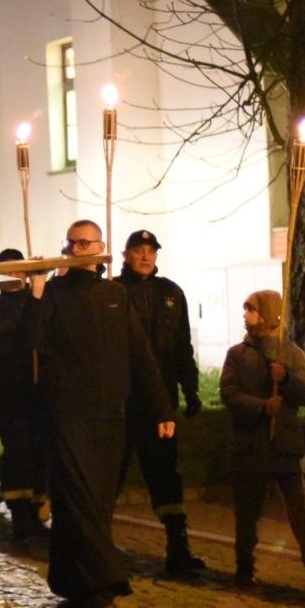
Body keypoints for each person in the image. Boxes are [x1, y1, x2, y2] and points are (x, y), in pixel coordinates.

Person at [21, 220, 172, 608]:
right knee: (77, 500)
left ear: (100, 247)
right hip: (68, 413)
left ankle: (77, 584)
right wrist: (36, 293)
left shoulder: (115, 295)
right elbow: (30, 340)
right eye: (71, 243)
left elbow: (140, 355)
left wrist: (161, 408)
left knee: (94, 504)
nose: (77, 249)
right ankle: (104, 585)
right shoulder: (52, 293)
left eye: (85, 243)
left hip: (110, 416)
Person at [219, 289, 305, 591]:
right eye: (246, 309)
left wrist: (286, 379)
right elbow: (229, 393)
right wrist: (260, 406)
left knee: (300, 509)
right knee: (247, 511)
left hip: (285, 445)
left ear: (270, 315)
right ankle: (244, 564)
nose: (246, 315)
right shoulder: (237, 355)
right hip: (249, 446)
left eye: (253, 310)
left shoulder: (291, 353)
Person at [115, 230, 206, 576]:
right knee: (112, 473)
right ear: (126, 255)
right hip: (123, 399)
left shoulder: (171, 293)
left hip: (161, 401)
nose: (144, 257)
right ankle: (95, 547)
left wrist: (191, 388)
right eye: (137, 251)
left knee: (166, 474)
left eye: (150, 251)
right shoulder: (113, 293)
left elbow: (183, 345)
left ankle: (178, 549)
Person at [0, 248, 50, 542]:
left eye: (17, 270)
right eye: (6, 271)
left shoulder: (42, 303)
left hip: (40, 392)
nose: (13, 276)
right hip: (9, 394)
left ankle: (37, 511)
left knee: (40, 451)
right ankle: (20, 515)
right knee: (18, 452)